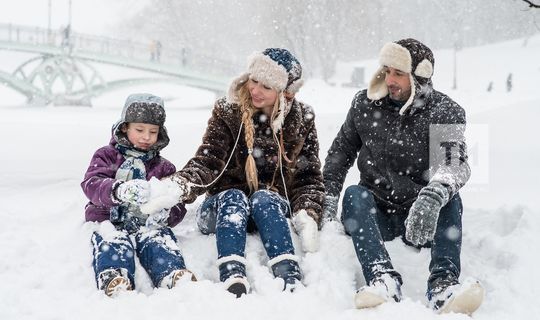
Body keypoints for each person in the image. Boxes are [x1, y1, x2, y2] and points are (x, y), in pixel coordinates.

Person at [322, 38, 483, 314]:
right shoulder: (364, 104)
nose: (390, 79)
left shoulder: (444, 110)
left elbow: (455, 163)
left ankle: (443, 286)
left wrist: (433, 196)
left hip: (422, 218)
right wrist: (326, 199)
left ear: (419, 77)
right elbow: (340, 154)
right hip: (376, 214)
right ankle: (382, 278)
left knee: (450, 198)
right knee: (353, 195)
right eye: (386, 70)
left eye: (398, 73)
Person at [164, 48, 324, 297]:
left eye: (266, 87)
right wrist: (181, 185)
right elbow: (208, 160)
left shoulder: (303, 118)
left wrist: (308, 211)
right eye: (254, 80)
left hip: (268, 211)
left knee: (264, 198)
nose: (255, 90)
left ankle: (288, 272)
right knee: (234, 197)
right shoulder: (228, 111)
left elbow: (309, 176)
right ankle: (232, 272)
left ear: (286, 93)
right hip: (222, 209)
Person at [81, 93, 196, 297]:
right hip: (108, 219)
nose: (146, 137)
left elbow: (176, 202)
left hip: (146, 223)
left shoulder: (164, 167)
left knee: (158, 239)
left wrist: (166, 213)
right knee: (113, 240)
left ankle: (171, 272)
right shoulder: (106, 156)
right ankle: (114, 274)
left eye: (153, 132)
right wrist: (118, 190)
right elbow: (92, 183)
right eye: (140, 130)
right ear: (125, 127)